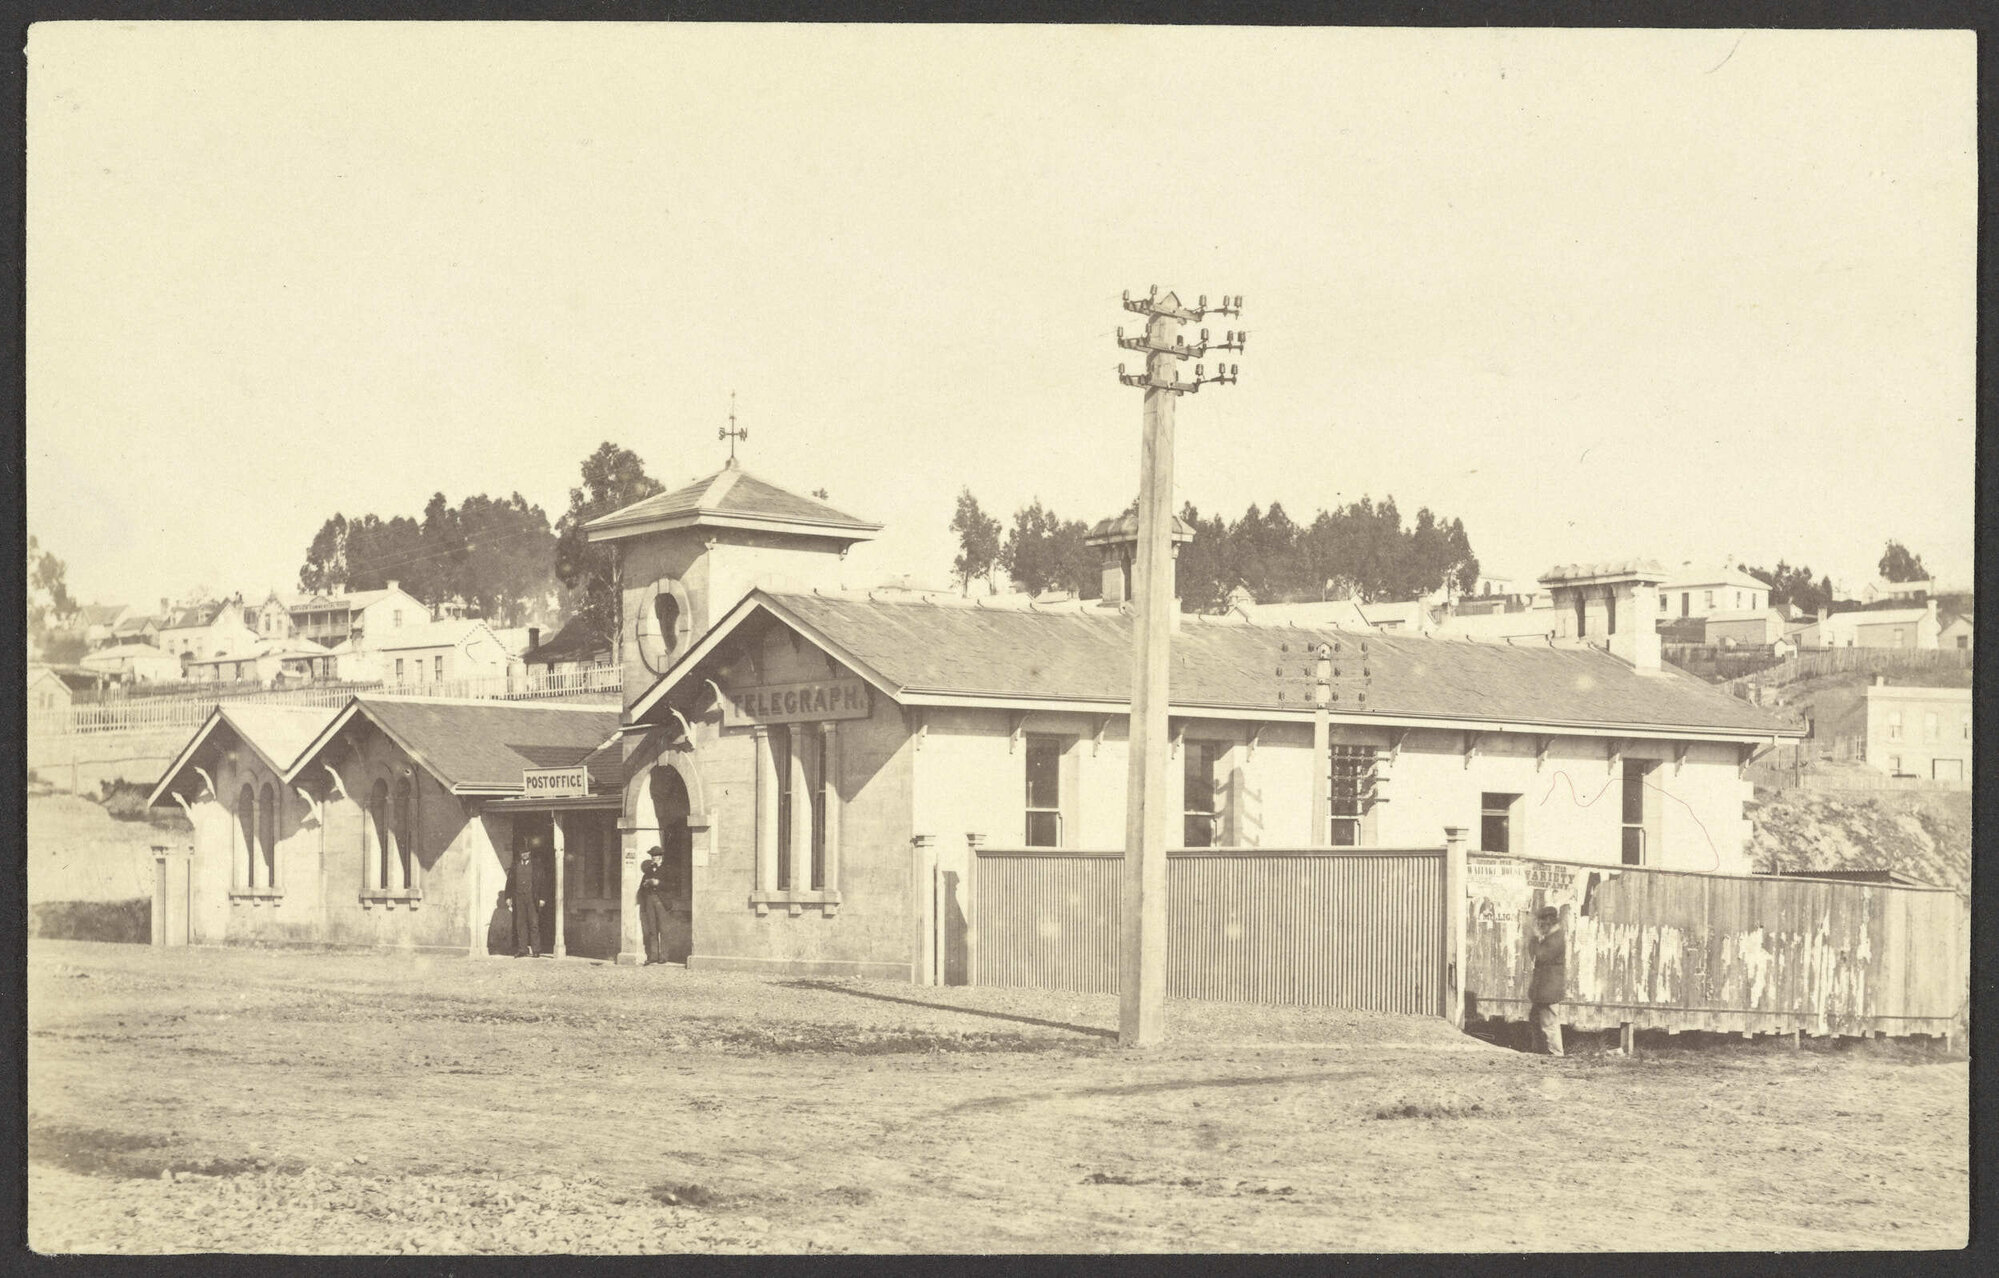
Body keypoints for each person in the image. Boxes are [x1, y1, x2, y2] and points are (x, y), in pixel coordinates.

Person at [1527, 905, 1567, 1056]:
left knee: (1549, 1023)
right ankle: (1542, 1052)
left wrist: (1535, 937)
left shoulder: (1555, 938)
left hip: (1548, 988)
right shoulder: (1553, 937)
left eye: (1542, 922)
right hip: (1545, 988)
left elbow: (1539, 955)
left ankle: (1556, 1054)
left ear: (1549, 921)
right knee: (1538, 1021)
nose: (1540, 925)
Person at [637, 845, 669, 965]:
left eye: (656, 856)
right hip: (649, 900)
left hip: (661, 901)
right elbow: (642, 885)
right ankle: (653, 955)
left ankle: (664, 956)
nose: (654, 858)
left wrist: (658, 883)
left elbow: (671, 885)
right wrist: (646, 884)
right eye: (652, 856)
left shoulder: (667, 868)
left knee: (663, 929)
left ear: (661, 857)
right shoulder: (649, 870)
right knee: (652, 929)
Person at [508, 844, 543, 958]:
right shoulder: (515, 866)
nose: (524, 854)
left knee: (534, 923)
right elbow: (510, 882)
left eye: (526, 852)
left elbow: (543, 882)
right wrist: (508, 897)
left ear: (530, 853)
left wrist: (542, 898)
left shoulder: (536, 865)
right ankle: (522, 949)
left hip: (532, 898)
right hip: (519, 898)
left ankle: (536, 949)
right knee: (520, 924)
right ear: (520, 854)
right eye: (522, 853)